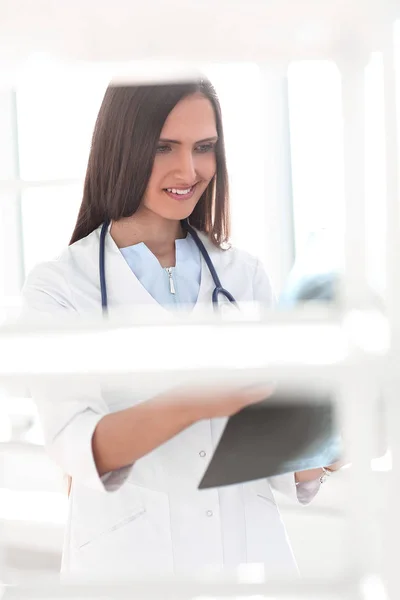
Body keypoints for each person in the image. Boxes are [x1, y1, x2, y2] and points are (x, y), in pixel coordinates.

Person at [21, 79, 338, 578]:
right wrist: (204, 397)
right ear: (122, 147)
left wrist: (335, 433)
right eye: (164, 147)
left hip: (248, 564)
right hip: (128, 570)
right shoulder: (60, 287)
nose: (189, 171)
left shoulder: (243, 275)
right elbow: (80, 446)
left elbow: (280, 463)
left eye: (204, 148)